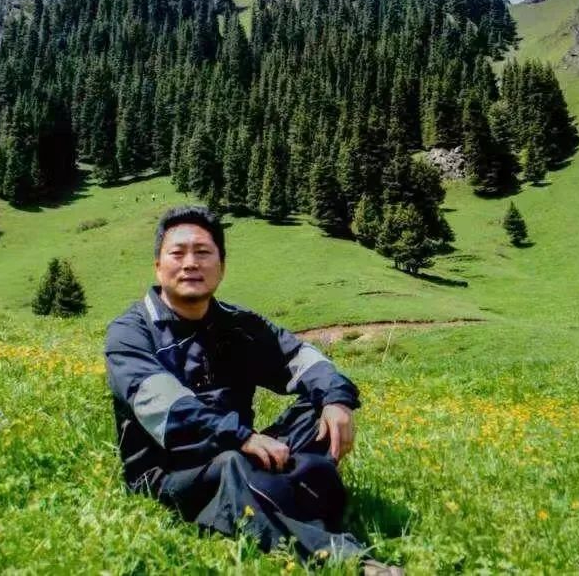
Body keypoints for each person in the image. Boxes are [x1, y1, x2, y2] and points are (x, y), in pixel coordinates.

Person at [104, 206, 402, 574]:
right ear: (158, 266)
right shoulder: (130, 333)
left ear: (222, 267)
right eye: (177, 253)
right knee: (233, 465)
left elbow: (301, 358)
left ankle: (268, 495)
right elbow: (169, 412)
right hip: (170, 473)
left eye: (203, 252)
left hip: (243, 449)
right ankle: (349, 560)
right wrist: (242, 437)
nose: (190, 263)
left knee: (316, 412)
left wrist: (336, 399)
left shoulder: (238, 324)